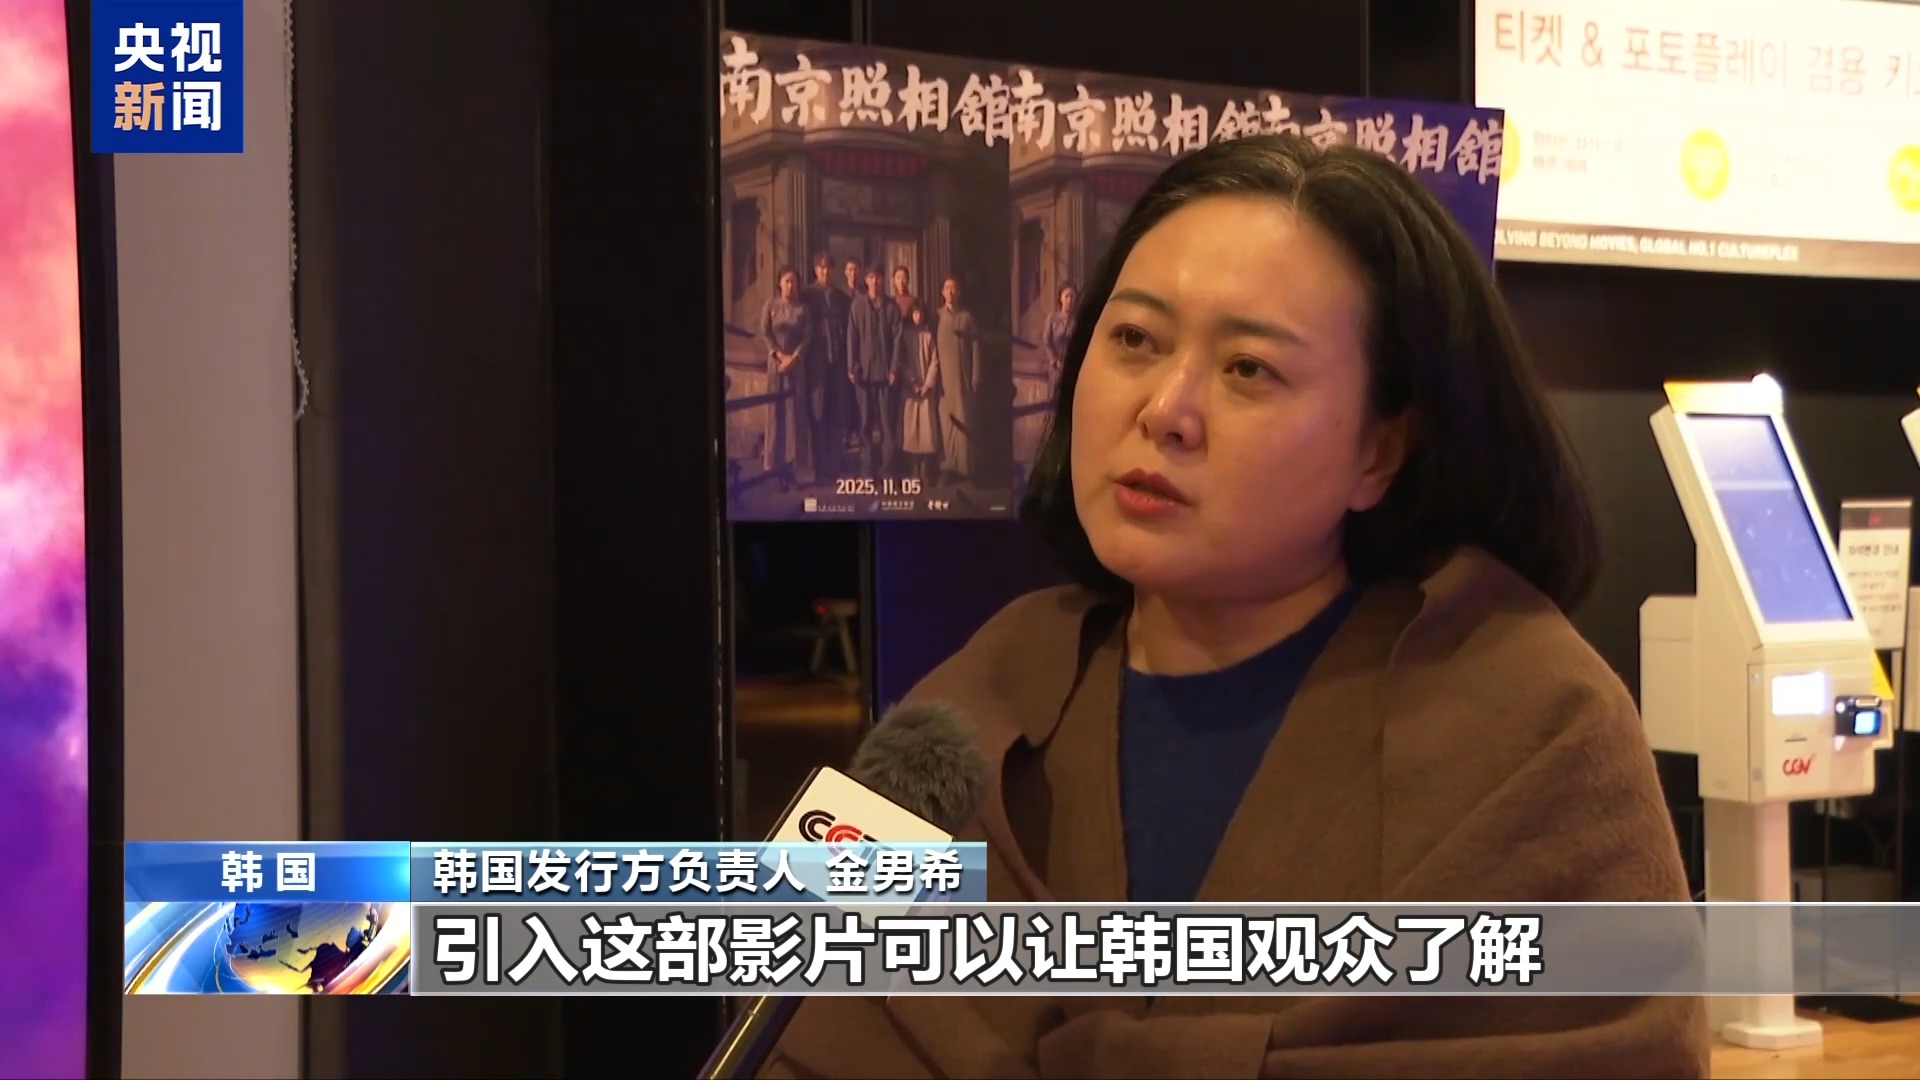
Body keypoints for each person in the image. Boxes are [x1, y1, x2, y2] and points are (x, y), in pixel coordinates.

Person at [757, 133, 1709, 1078]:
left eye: (1249, 367)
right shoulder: (987, 686)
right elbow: (793, 1028)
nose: (1166, 409)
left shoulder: (1532, 723)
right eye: (1135, 340)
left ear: (1378, 451)